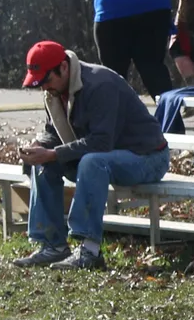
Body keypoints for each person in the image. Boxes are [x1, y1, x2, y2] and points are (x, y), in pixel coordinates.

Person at [11, 40, 171, 271]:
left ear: (63, 68)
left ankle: (90, 251)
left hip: (148, 157)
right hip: (106, 157)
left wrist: (53, 153)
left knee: (91, 161)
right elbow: (52, 133)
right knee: (43, 164)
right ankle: (52, 246)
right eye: (39, 84)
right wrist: (39, 147)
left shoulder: (100, 84)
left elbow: (101, 142)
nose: (44, 88)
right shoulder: (55, 91)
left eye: (47, 80)